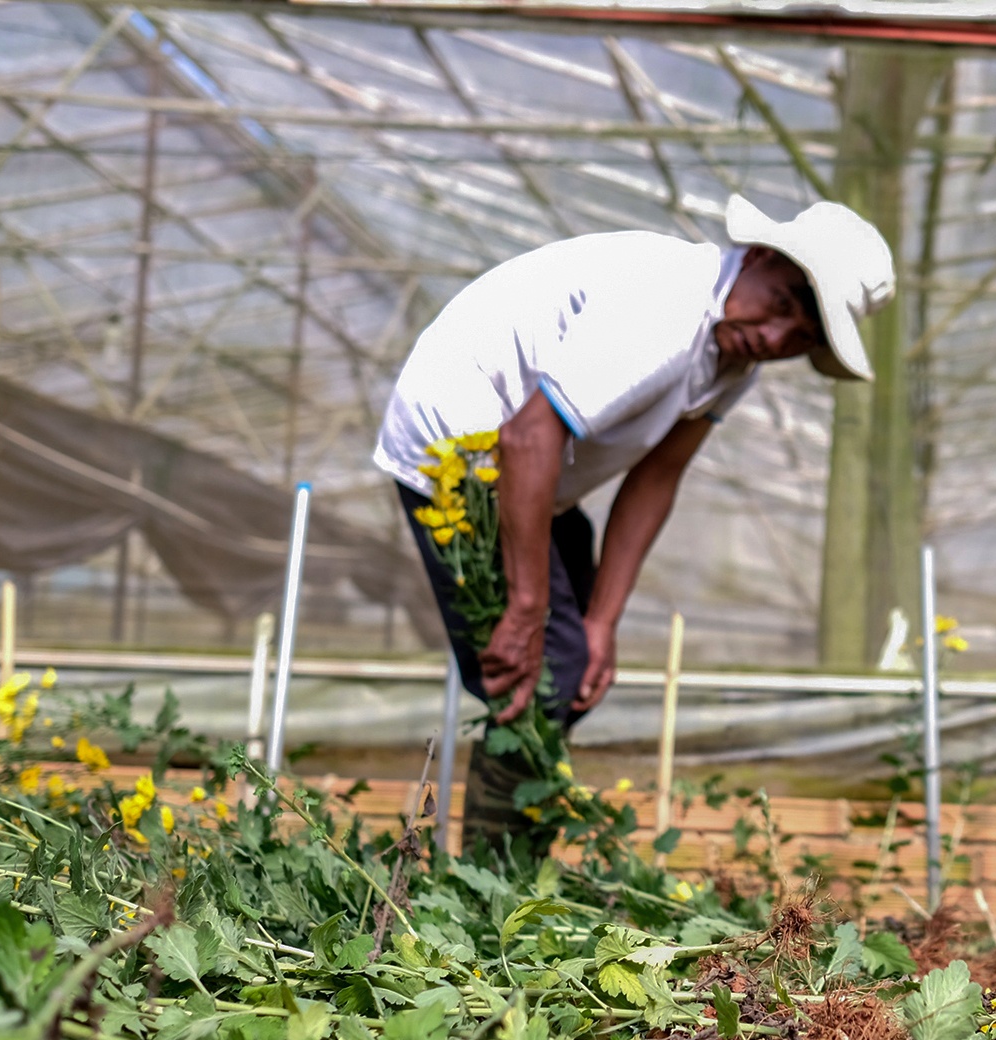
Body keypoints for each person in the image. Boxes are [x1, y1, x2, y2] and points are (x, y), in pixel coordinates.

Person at [374, 195, 895, 858]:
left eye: (802, 336)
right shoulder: (667, 309)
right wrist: (527, 605)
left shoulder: (732, 358)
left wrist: (604, 621)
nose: (774, 338)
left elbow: (657, 477)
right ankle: (490, 887)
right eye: (784, 304)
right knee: (539, 669)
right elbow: (528, 437)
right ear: (761, 256)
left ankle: (507, 863)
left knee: (576, 658)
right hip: (458, 447)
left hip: (531, 471)